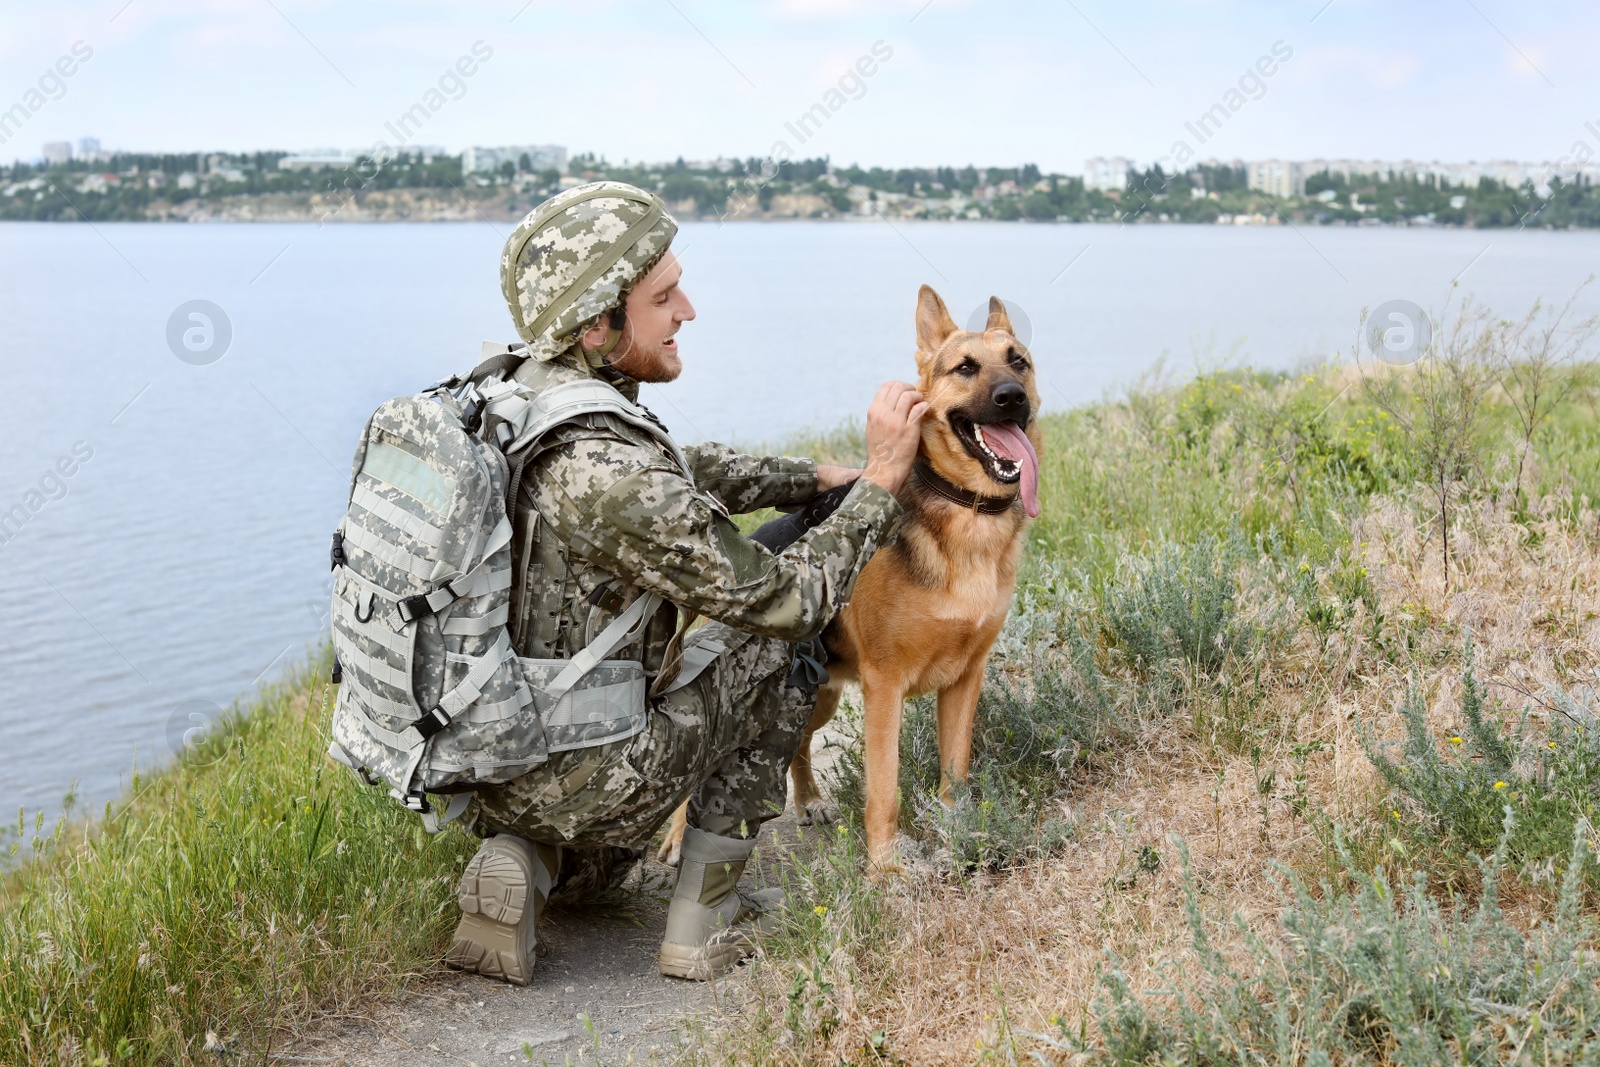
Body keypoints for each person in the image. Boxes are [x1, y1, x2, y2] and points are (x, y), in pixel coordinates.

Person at [446, 181, 927, 984]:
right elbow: (790, 597)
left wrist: (809, 477)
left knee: (606, 859)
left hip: (488, 763)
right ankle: (705, 918)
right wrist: (878, 482)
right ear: (600, 323)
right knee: (786, 642)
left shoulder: (514, 400)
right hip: (590, 772)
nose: (689, 312)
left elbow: (681, 471)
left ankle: (522, 860)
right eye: (664, 297)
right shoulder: (611, 473)